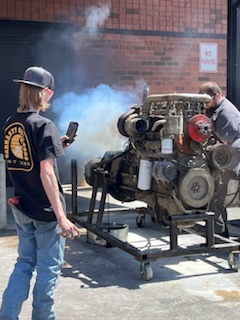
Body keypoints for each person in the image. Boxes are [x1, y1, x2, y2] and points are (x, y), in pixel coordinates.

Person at [0, 66, 81, 320]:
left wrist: (60, 142)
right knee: (49, 270)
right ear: (43, 93)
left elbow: (19, 159)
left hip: (22, 208)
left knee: (24, 264)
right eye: (50, 92)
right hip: (46, 214)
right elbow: (46, 173)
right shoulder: (44, 125)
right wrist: (61, 217)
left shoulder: (11, 123)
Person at [199, 81, 240, 238]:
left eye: (207, 100)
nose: (206, 104)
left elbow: (223, 144)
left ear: (217, 95)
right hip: (230, 155)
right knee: (216, 196)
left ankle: (219, 234)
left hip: (234, 155)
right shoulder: (217, 109)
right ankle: (219, 233)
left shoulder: (226, 112)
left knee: (216, 194)